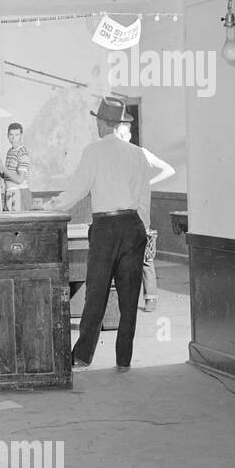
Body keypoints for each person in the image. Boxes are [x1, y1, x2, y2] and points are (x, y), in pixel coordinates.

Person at [42, 96, 152, 371]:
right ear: (119, 124)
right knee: (129, 298)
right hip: (132, 226)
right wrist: (145, 233)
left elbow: (77, 190)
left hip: (105, 227)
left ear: (102, 123)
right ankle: (124, 359)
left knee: (97, 292)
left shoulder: (94, 151)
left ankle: (82, 356)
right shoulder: (137, 153)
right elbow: (143, 199)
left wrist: (50, 207)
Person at [113, 120, 175, 313]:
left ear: (129, 136)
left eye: (124, 135)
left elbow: (169, 169)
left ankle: (151, 300)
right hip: (123, 210)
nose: (121, 139)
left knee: (145, 257)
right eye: (118, 136)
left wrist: (149, 182)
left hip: (140, 212)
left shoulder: (142, 153)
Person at [0, 122, 32, 212]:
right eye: (11, 135)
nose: (13, 138)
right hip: (10, 192)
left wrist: (3, 168)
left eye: (17, 135)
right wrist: (1, 170)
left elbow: (19, 179)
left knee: (19, 224)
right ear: (7, 136)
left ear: (21, 135)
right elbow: (9, 175)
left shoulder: (23, 152)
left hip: (20, 193)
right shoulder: (10, 151)